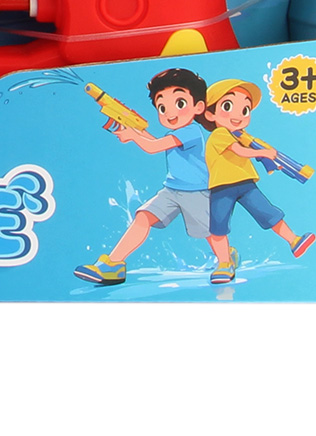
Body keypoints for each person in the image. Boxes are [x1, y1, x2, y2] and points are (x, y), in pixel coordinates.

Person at [75, 67, 217, 285]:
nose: (169, 113)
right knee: (143, 217)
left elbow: (154, 147)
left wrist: (134, 135)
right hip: (171, 189)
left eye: (180, 103)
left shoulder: (191, 132)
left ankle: (226, 257)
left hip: (196, 191)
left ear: (198, 107)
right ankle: (113, 264)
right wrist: (134, 131)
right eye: (162, 107)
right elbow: (155, 142)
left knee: (210, 233)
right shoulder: (174, 133)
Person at [201, 79, 315, 284]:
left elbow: (247, 148)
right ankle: (224, 263)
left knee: (268, 212)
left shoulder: (243, 136)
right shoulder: (220, 134)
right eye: (228, 106)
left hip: (245, 183)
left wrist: (271, 160)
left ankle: (294, 240)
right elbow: (239, 151)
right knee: (218, 226)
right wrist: (263, 153)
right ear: (210, 114)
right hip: (222, 187)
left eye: (245, 109)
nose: (238, 115)